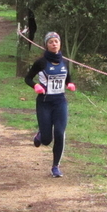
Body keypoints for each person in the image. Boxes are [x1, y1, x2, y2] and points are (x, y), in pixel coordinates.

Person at [24, 32, 76, 178]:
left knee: (60, 133)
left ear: (60, 44)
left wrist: (70, 84)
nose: (54, 44)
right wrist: (35, 86)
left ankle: (55, 167)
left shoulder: (64, 62)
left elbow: (68, 79)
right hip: (44, 103)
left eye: (56, 41)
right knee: (47, 140)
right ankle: (41, 134)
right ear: (46, 45)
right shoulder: (41, 62)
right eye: (51, 42)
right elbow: (27, 78)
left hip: (60, 102)